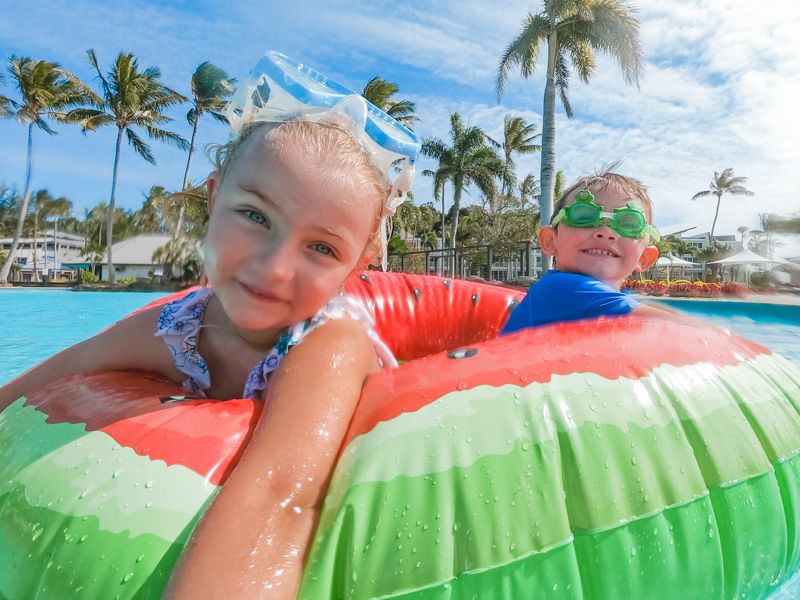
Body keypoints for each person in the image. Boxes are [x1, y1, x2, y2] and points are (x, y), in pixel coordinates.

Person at [0, 51, 419, 599]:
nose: (274, 267)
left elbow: (281, 494)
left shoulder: (327, 345)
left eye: (321, 247)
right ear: (215, 197)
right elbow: (51, 375)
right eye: (255, 216)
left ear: (358, 267)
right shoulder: (179, 328)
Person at [502, 170, 672, 334]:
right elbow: (683, 329)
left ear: (643, 258)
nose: (606, 231)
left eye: (628, 223)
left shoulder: (613, 301)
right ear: (550, 241)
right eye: (583, 216)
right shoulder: (562, 288)